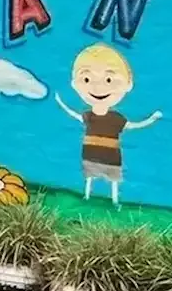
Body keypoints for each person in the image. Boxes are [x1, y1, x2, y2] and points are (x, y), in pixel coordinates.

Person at [55, 43, 162, 207]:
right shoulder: (89, 115)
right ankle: (88, 195)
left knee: (113, 178)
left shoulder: (116, 118)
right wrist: (61, 103)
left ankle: (114, 200)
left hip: (111, 155)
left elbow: (133, 125)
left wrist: (152, 119)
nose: (98, 87)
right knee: (90, 175)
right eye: (86, 79)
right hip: (90, 152)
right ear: (75, 84)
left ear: (128, 84)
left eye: (109, 79)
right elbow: (75, 115)